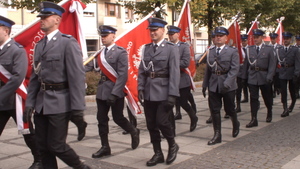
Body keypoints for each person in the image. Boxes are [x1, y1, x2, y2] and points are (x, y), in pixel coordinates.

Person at [24, 2, 90, 169]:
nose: (41, 20)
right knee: (42, 147)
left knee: (56, 145)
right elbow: (35, 78)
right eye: (41, 17)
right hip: (41, 104)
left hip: (60, 102)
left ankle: (82, 168)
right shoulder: (39, 45)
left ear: (57, 20)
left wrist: (77, 108)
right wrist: (30, 103)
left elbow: (76, 76)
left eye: (45, 17)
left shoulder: (67, 43)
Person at [0, 15, 42, 169]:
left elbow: (18, 77)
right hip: (2, 100)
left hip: (15, 99)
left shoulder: (16, 50)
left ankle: (39, 160)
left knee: (27, 131)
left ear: (6, 31)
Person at [92, 25, 140, 158]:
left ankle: (134, 131)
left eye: (106, 35)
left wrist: (114, 93)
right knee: (101, 119)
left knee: (118, 118)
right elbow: (90, 67)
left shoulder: (121, 52)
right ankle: (105, 146)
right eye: (102, 36)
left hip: (115, 91)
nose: (103, 38)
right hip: (102, 90)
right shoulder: (99, 54)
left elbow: (122, 75)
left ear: (113, 36)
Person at [138, 18, 180, 166]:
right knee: (151, 124)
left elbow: (175, 73)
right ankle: (158, 153)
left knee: (162, 122)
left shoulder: (171, 48)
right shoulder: (146, 48)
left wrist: (172, 95)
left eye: (156, 30)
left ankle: (172, 144)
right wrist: (140, 88)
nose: (153, 32)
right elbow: (142, 70)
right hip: (149, 91)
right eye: (151, 30)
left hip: (164, 92)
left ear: (163, 30)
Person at [202, 27, 240, 145]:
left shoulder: (232, 51)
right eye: (216, 35)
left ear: (226, 38)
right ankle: (217, 134)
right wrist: (204, 84)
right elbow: (208, 69)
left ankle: (236, 123)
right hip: (214, 84)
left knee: (230, 109)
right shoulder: (211, 51)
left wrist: (227, 83)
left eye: (221, 35)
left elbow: (234, 69)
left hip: (227, 85)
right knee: (214, 110)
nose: (218, 37)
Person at [242, 29, 276, 127]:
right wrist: (244, 78)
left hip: (264, 76)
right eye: (254, 37)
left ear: (262, 37)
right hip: (252, 76)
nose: (255, 39)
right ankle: (254, 119)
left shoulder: (269, 49)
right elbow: (246, 65)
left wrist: (270, 76)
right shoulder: (249, 49)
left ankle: (269, 110)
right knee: (253, 98)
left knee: (267, 97)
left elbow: (272, 65)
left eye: (257, 37)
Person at [167, 25, 198, 132]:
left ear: (178, 34)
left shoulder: (184, 46)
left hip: (181, 80)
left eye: (172, 34)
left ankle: (193, 117)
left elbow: (185, 62)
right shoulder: (166, 46)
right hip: (169, 80)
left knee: (183, 102)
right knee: (169, 104)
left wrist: (171, 64)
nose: (170, 36)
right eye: (169, 34)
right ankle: (172, 129)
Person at [276, 32, 300, 117]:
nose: (285, 40)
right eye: (284, 39)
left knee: (292, 91)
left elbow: (297, 62)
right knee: (283, 91)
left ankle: (292, 103)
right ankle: (285, 108)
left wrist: (296, 73)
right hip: (282, 72)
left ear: (290, 39)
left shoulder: (295, 50)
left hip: (291, 71)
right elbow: (277, 62)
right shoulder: (279, 49)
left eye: (287, 39)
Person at [235, 34, 249, 112]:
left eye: (245, 41)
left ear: (247, 41)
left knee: (250, 88)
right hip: (240, 72)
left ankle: (252, 101)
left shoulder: (250, 49)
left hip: (248, 73)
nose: (243, 42)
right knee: (238, 90)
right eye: (242, 41)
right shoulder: (238, 49)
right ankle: (238, 106)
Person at [269, 32, 281, 98]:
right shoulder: (268, 47)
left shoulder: (279, 47)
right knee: (271, 81)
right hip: (271, 67)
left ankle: (277, 88)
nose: (272, 40)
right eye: (271, 38)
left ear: (276, 39)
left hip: (277, 67)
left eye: (274, 38)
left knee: (276, 79)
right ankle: (273, 92)